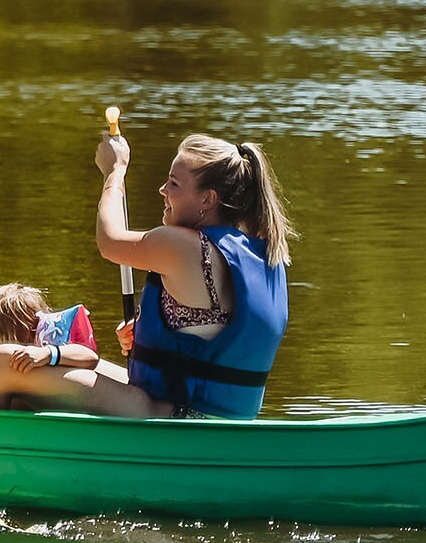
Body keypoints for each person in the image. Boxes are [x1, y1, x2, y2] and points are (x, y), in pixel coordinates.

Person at [92, 127, 293, 418]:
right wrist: (146, 330)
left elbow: (109, 241)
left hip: (185, 419)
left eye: (174, 184)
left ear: (207, 200)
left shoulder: (185, 246)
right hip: (218, 416)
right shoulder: (264, 252)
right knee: (66, 360)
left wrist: (115, 172)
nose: (163, 190)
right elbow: (208, 329)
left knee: (30, 371)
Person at [0, 281, 153, 413]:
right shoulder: (42, 378)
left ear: (7, 337)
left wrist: (49, 353)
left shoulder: (48, 355)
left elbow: (89, 355)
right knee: (17, 401)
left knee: (0, 362)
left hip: (143, 412)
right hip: (146, 403)